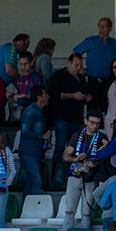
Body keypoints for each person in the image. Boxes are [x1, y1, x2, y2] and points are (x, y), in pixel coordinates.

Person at [47, 53, 92, 183]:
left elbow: (84, 92)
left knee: (76, 148)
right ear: (69, 63)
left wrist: (86, 97)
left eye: (80, 66)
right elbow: (53, 95)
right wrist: (72, 95)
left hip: (77, 118)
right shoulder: (58, 76)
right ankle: (56, 176)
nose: (78, 68)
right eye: (76, 65)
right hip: (62, 117)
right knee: (60, 146)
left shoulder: (81, 79)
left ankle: (74, 176)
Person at [60, 111, 105, 231]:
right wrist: (76, 159)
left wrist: (95, 162)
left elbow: (105, 156)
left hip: (90, 176)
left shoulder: (102, 137)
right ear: (86, 121)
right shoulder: (77, 135)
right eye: (92, 123)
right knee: (69, 210)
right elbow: (66, 156)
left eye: (97, 123)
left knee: (86, 212)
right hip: (75, 174)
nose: (94, 126)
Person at [74, 18, 116, 108]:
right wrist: (80, 68)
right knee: (92, 108)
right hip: (93, 81)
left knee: (108, 108)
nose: (100, 29)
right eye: (99, 26)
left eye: (104, 26)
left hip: (109, 81)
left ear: (110, 28)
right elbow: (75, 53)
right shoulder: (90, 41)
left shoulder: (115, 44)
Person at [19, 86, 51, 196]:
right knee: (36, 181)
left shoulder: (37, 111)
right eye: (45, 95)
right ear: (39, 97)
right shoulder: (31, 112)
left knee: (30, 182)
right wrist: (42, 136)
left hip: (34, 152)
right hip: (29, 152)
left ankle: (26, 208)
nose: (48, 97)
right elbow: (25, 130)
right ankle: (32, 209)